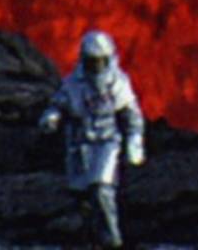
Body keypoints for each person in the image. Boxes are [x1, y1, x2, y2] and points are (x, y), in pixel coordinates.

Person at [40, 30, 146, 248]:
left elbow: (131, 116)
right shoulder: (74, 83)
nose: (96, 66)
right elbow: (59, 103)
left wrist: (134, 143)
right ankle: (90, 240)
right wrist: (51, 118)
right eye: (92, 61)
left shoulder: (118, 84)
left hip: (107, 142)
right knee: (82, 197)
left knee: (102, 189)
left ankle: (111, 241)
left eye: (100, 61)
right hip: (79, 144)